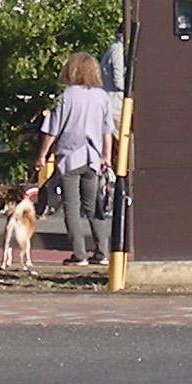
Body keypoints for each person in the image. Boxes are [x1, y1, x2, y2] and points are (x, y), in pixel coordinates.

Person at [33, 50, 115, 266]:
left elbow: (52, 129)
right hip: (93, 159)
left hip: (69, 158)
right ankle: (102, 251)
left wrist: (42, 155)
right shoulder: (102, 97)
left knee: (71, 206)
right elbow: (108, 130)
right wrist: (106, 155)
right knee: (94, 205)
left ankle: (79, 254)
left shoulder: (65, 96)